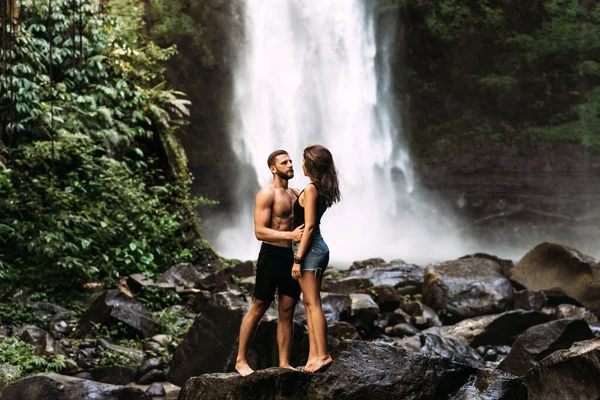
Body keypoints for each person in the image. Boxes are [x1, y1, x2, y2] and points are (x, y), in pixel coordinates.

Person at [235, 150, 305, 377]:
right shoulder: (266, 194)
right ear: (273, 169)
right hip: (271, 256)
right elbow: (259, 231)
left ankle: (284, 362)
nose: (290, 164)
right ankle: (240, 360)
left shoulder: (295, 194)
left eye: (291, 161)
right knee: (259, 307)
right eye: (284, 162)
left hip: (292, 258)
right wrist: (290, 236)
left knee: (287, 310)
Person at [291, 144, 341, 373]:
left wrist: (298, 259)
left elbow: (309, 226)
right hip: (316, 249)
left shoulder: (311, 190)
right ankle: (313, 356)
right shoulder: (317, 188)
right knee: (310, 304)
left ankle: (323, 355)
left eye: (302, 160)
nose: (299, 164)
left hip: (310, 251)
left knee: (313, 304)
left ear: (309, 164)